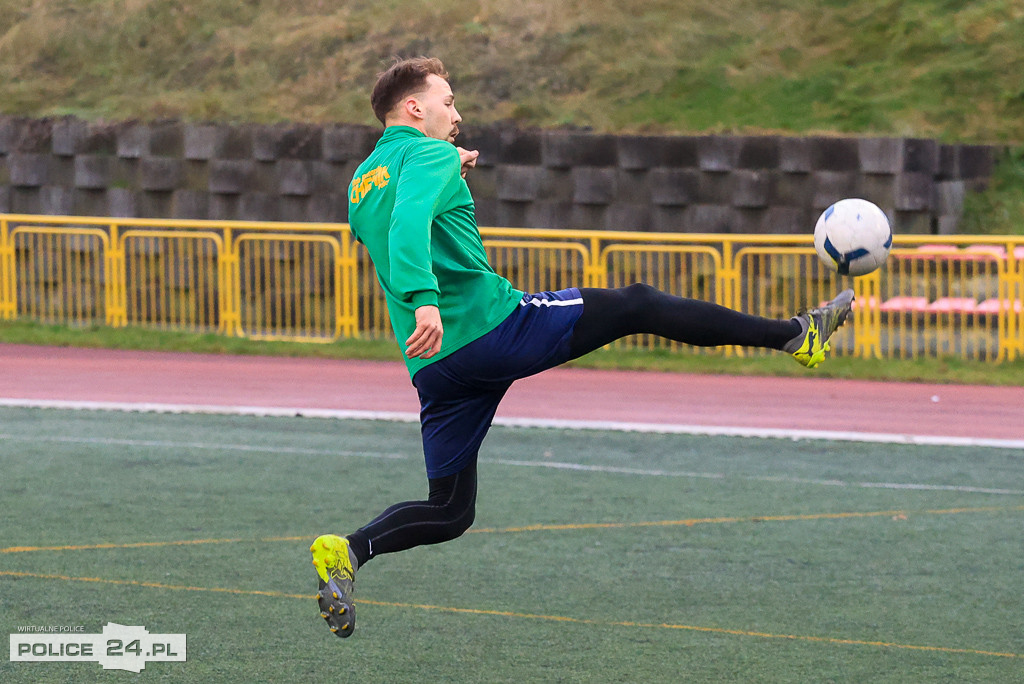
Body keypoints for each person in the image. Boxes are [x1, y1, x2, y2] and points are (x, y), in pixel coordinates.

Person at [310, 56, 854, 637]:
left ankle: (349, 551)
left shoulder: (363, 180)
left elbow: (390, 218)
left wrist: (450, 172)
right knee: (638, 303)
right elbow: (410, 221)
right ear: (415, 107)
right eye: (447, 102)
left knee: (449, 509)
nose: (457, 114)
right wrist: (426, 298)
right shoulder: (429, 156)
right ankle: (795, 335)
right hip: (491, 327)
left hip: (436, 365)